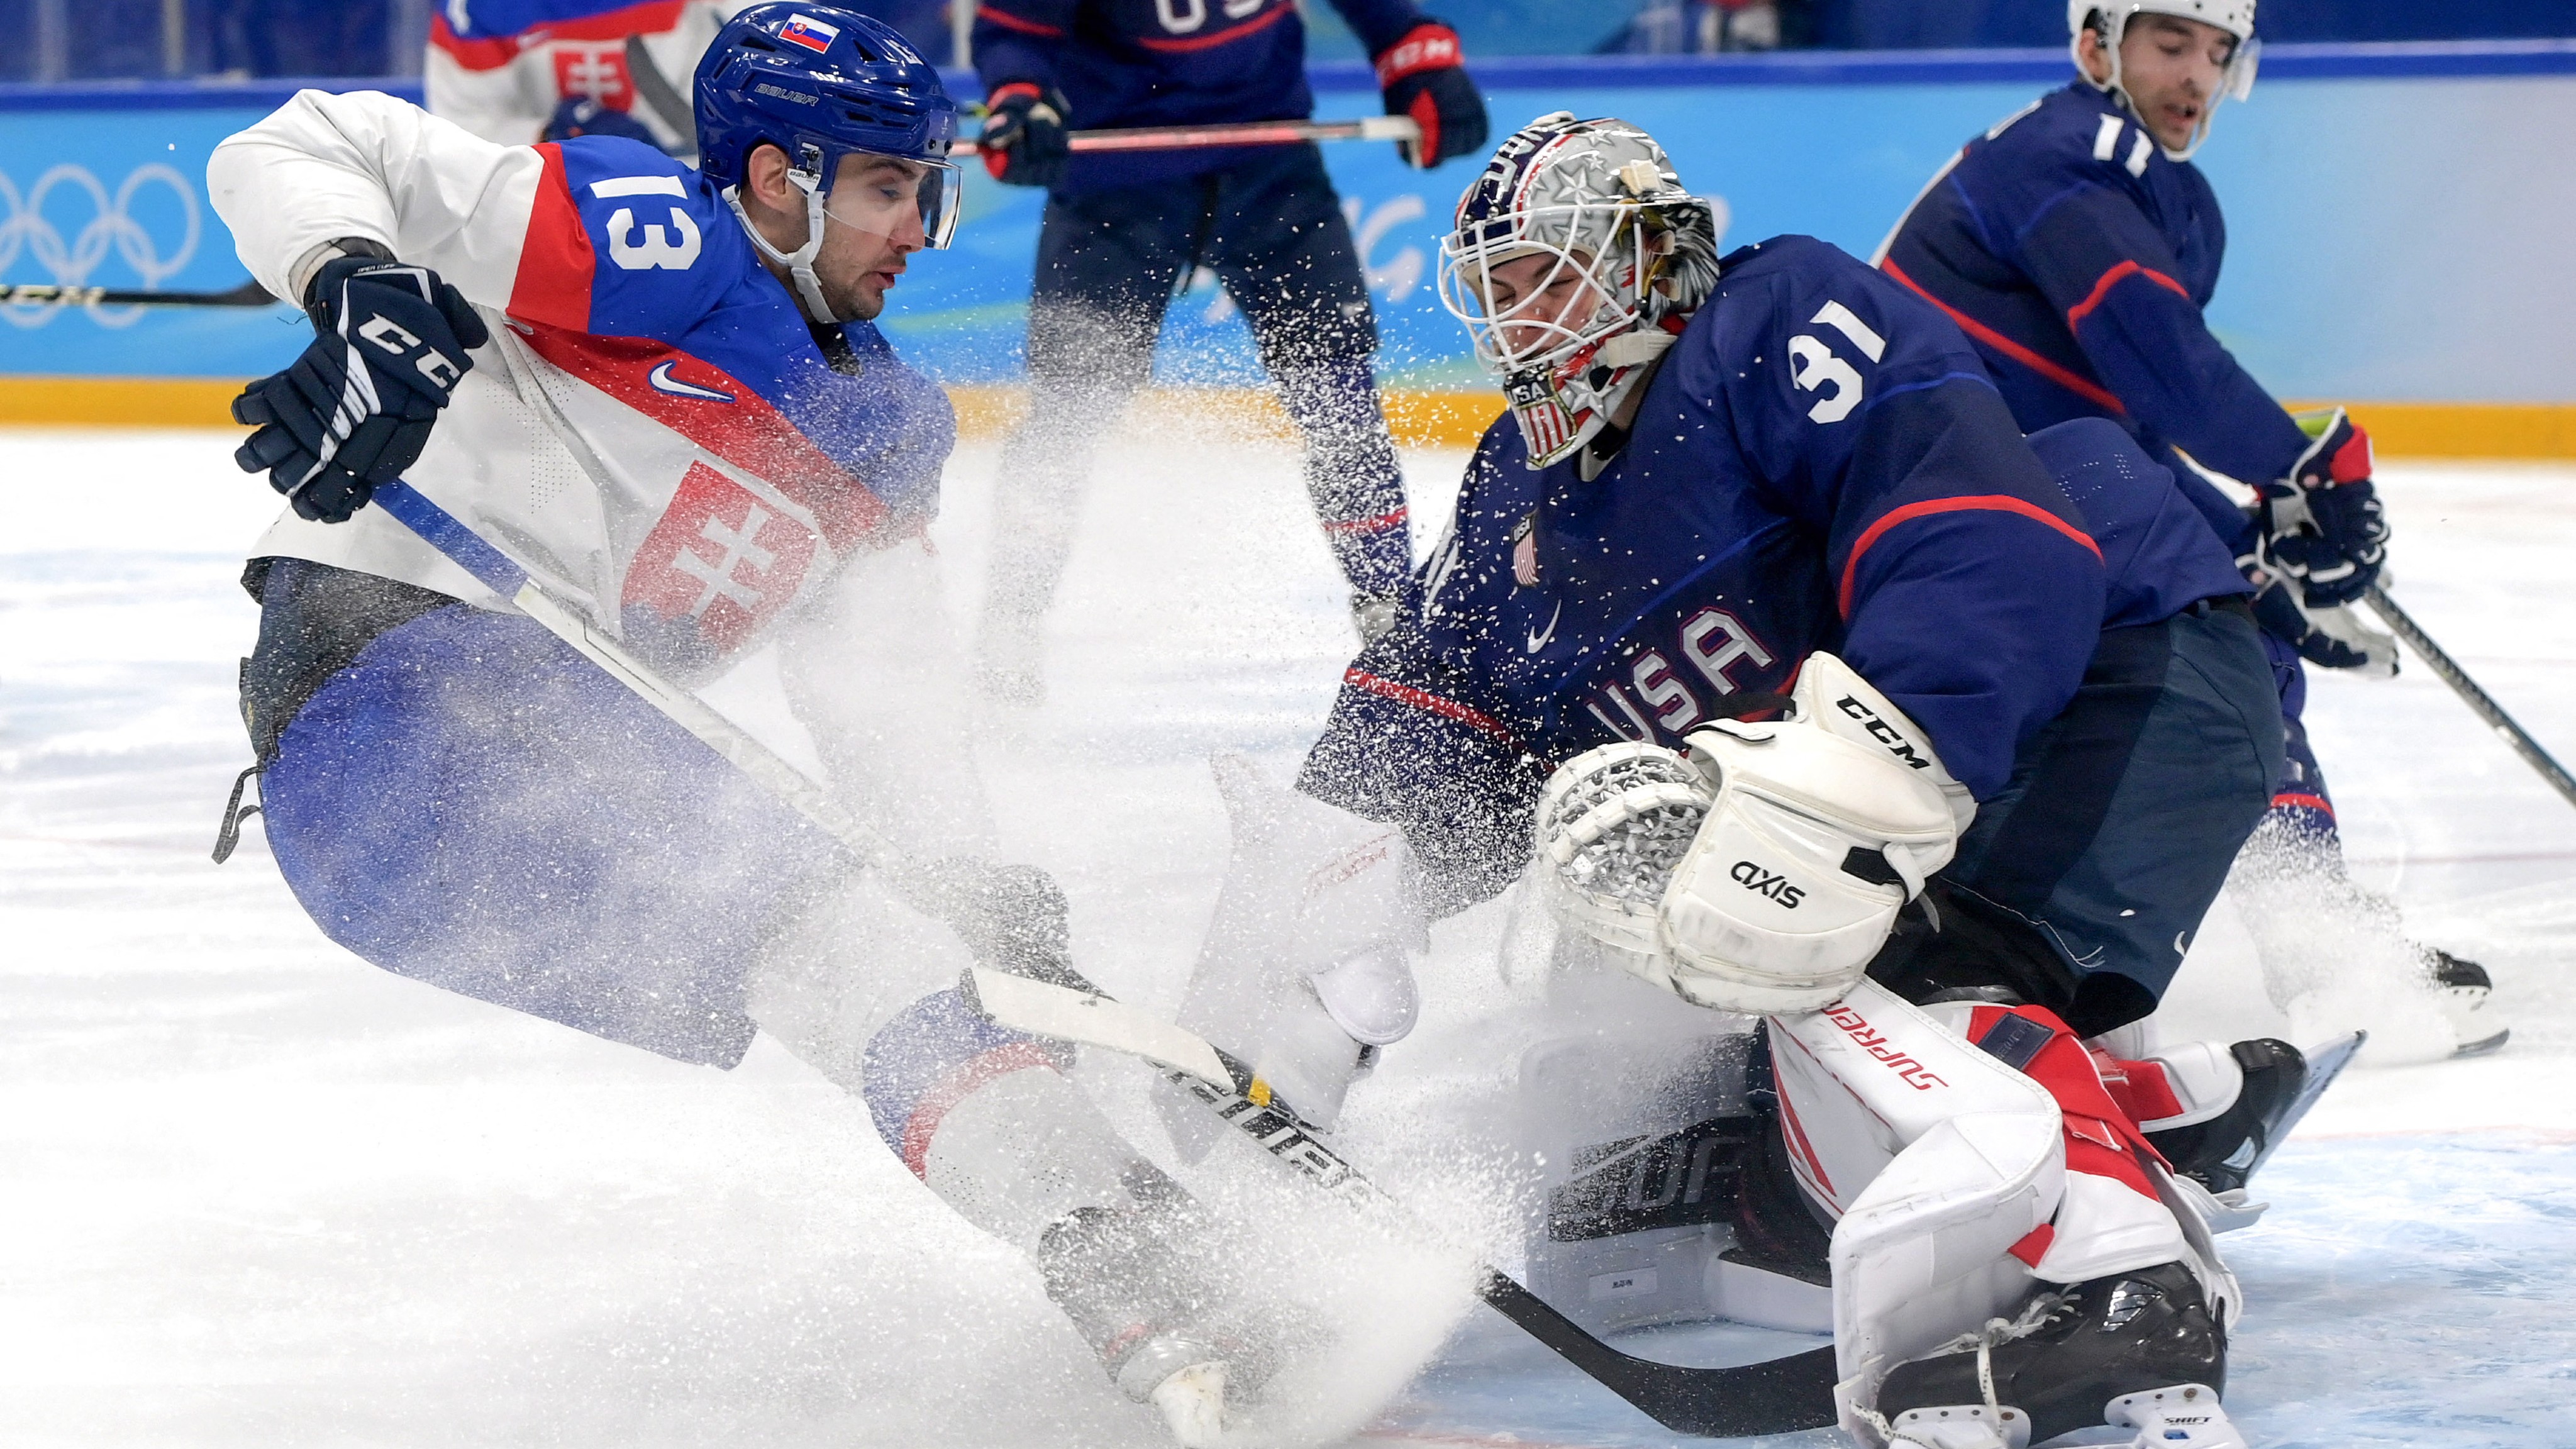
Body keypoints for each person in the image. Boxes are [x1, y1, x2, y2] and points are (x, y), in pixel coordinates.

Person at [211, 9, 1289, 1443]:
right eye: (888, 188)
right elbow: (303, 144)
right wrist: (360, 287)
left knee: (862, 966)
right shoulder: (656, 240)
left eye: (929, 186)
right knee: (843, 949)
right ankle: (1124, 1261)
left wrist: (965, 875)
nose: (921, 224)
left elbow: (885, 710)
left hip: (460, 802)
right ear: (777, 178)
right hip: (395, 702)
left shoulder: (888, 432)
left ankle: (1113, 1218)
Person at [1167, 113, 2297, 1447]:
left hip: (2127, 658)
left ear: (1655, 254)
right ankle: (2155, 1106)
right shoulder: (1514, 499)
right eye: (1499, 291)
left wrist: (1841, 797)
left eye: (1550, 274)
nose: (1521, 324)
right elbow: (1424, 741)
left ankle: (2124, 1279)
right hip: (2007, 714)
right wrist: (1302, 936)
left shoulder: (1772, 318)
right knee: (1707, 1022)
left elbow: (1987, 552)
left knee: (1874, 960)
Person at [1873, 0, 2505, 1056]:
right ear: (2095, 47)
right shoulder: (2069, 157)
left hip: (1999, 477)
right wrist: (2306, 469)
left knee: (2239, 614)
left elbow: (2101, 417)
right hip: (1947, 497)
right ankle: (2315, 953)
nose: (2197, 76)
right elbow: (2160, 363)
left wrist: (2247, 531)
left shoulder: (2146, 181)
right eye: (2171, 43)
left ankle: (2297, 935)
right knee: (2220, 637)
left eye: (2216, 54)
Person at [964, 0, 1491, 701]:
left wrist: (1418, 58)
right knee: (1070, 410)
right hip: (1116, 177)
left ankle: (1393, 614)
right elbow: (1016, 29)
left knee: (1336, 398)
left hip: (1270, 163)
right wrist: (1019, 96)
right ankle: (1011, 623)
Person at [426, 0, 756, 152]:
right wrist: (547, 136)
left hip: (708, 182)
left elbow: (785, 36)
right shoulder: (471, 12)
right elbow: (459, 132)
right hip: (549, 204)